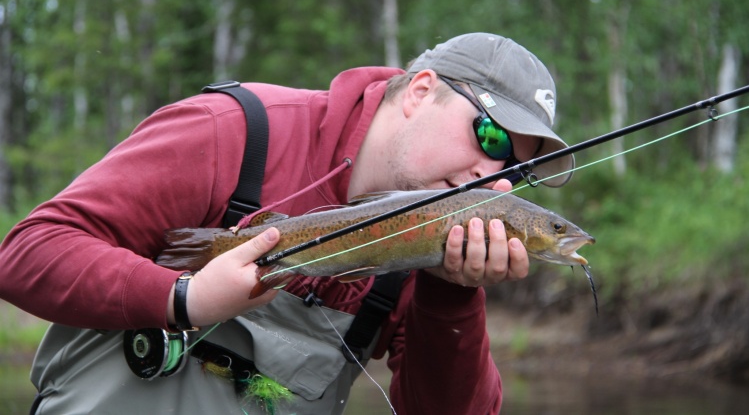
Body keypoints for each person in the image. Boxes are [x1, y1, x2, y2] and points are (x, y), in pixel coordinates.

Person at [0, 32, 574, 414]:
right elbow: (27, 252)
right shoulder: (236, 131)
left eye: (517, 170)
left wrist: (452, 297)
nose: (494, 176)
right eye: (491, 136)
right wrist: (185, 297)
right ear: (420, 92)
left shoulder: (436, 248)